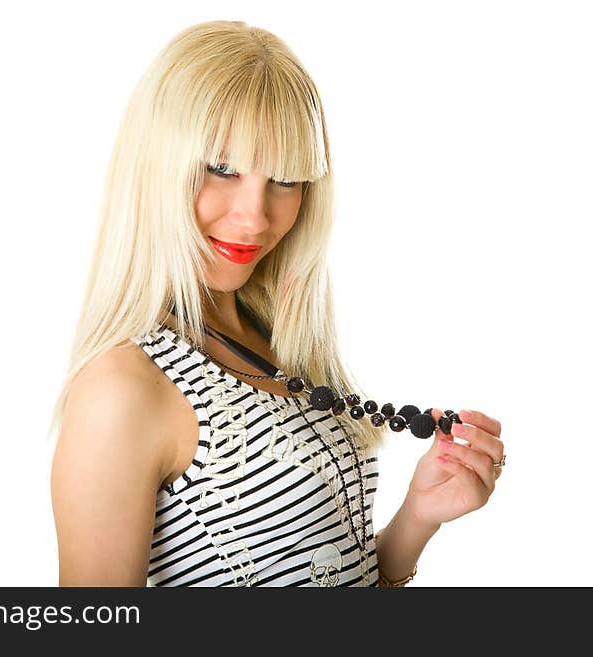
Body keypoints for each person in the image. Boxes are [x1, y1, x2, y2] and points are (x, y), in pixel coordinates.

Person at [48, 20, 505, 587]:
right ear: (156, 165)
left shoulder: (271, 342)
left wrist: (417, 518)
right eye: (221, 168)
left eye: (285, 179)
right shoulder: (123, 387)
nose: (255, 216)